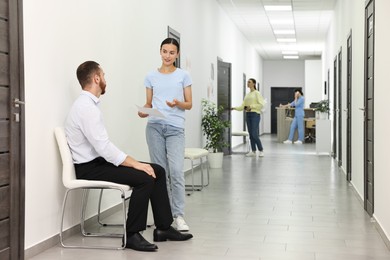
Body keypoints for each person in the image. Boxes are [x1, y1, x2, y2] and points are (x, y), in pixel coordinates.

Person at [65, 61, 193, 252]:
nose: (105, 80)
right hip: (89, 167)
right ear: (96, 78)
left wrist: (135, 163)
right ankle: (132, 234)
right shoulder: (86, 108)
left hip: (97, 162)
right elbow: (104, 148)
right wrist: (135, 164)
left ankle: (164, 228)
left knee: (157, 169)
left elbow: (103, 149)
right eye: (104, 75)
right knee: (145, 177)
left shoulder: (88, 105)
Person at [138, 38, 192, 232]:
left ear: (177, 54)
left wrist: (177, 103)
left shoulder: (183, 75)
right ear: (159, 52)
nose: (167, 55)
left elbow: (189, 104)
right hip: (154, 127)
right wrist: (144, 110)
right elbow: (149, 104)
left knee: (176, 171)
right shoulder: (150, 76)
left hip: (175, 128)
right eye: (164, 51)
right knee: (161, 174)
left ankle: (179, 216)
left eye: (171, 52)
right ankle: (164, 216)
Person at [231, 78, 265, 157]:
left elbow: (261, 104)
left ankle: (261, 150)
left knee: (254, 133)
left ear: (254, 84)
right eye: (247, 82)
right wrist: (234, 108)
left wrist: (251, 106)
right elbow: (242, 106)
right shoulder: (247, 95)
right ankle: (253, 151)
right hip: (248, 115)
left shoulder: (257, 93)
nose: (248, 83)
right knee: (250, 134)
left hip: (255, 115)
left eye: (249, 82)